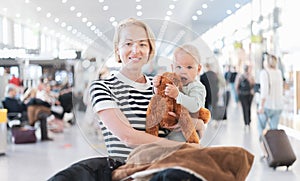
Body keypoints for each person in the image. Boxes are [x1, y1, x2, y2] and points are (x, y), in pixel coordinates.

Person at [88, 18, 202, 180]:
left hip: (168, 166)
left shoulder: (161, 86)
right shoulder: (103, 87)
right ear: (117, 49)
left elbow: (186, 122)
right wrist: (183, 147)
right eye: (128, 44)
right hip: (130, 172)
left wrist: (188, 123)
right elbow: (127, 137)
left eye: (142, 44)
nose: (136, 50)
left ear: (150, 49)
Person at [158, 43, 206, 141]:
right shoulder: (172, 82)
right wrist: (157, 85)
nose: (183, 71)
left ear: (199, 69)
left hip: (188, 133)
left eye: (189, 67)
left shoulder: (197, 87)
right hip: (172, 129)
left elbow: (194, 106)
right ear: (172, 68)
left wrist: (177, 95)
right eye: (179, 67)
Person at [257, 54, 284, 140]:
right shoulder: (279, 72)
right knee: (274, 130)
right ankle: (273, 150)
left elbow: (264, 91)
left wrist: (261, 106)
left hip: (267, 106)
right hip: (278, 106)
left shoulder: (264, 73)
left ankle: (264, 149)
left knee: (260, 128)